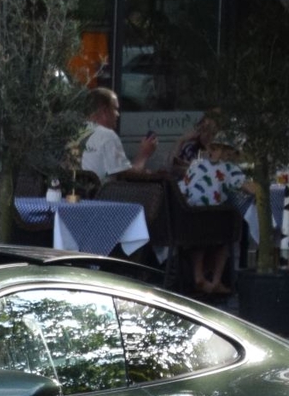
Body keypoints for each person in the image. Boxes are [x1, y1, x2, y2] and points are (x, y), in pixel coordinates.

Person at [173, 114, 247, 298]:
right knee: (225, 235)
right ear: (229, 152)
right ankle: (215, 281)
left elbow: (181, 188)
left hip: (187, 221)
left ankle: (199, 276)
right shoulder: (229, 168)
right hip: (214, 223)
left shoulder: (195, 165)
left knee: (200, 235)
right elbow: (248, 188)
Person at [75, 87, 158, 185]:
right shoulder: (107, 136)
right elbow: (129, 176)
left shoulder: (74, 132)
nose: (118, 114)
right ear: (105, 111)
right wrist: (144, 154)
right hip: (103, 198)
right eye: (115, 109)